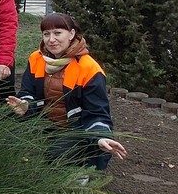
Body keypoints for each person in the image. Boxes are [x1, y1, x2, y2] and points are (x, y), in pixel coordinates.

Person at [7, 13, 127, 170]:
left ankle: (82, 170)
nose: (51, 39)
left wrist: (100, 137)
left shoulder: (88, 68)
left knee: (56, 153)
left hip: (76, 128)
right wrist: (26, 105)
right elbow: (27, 91)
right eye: (46, 34)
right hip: (45, 123)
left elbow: (97, 112)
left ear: (71, 34)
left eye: (57, 33)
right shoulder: (36, 59)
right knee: (4, 126)